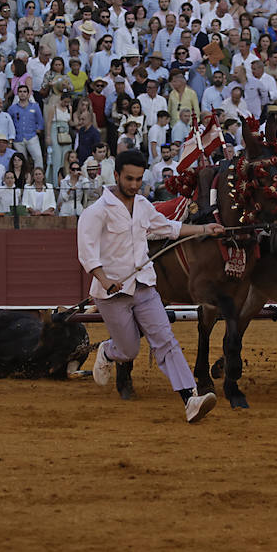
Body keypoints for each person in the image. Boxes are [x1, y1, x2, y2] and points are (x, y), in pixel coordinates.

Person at [76, 149, 222, 423]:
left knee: (165, 340)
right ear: (117, 175)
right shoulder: (96, 212)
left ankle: (190, 399)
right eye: (129, 179)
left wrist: (205, 229)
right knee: (129, 350)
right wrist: (106, 282)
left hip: (144, 286)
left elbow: (168, 228)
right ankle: (108, 351)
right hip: (113, 295)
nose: (133, 185)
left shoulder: (143, 205)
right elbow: (87, 254)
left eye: (138, 180)